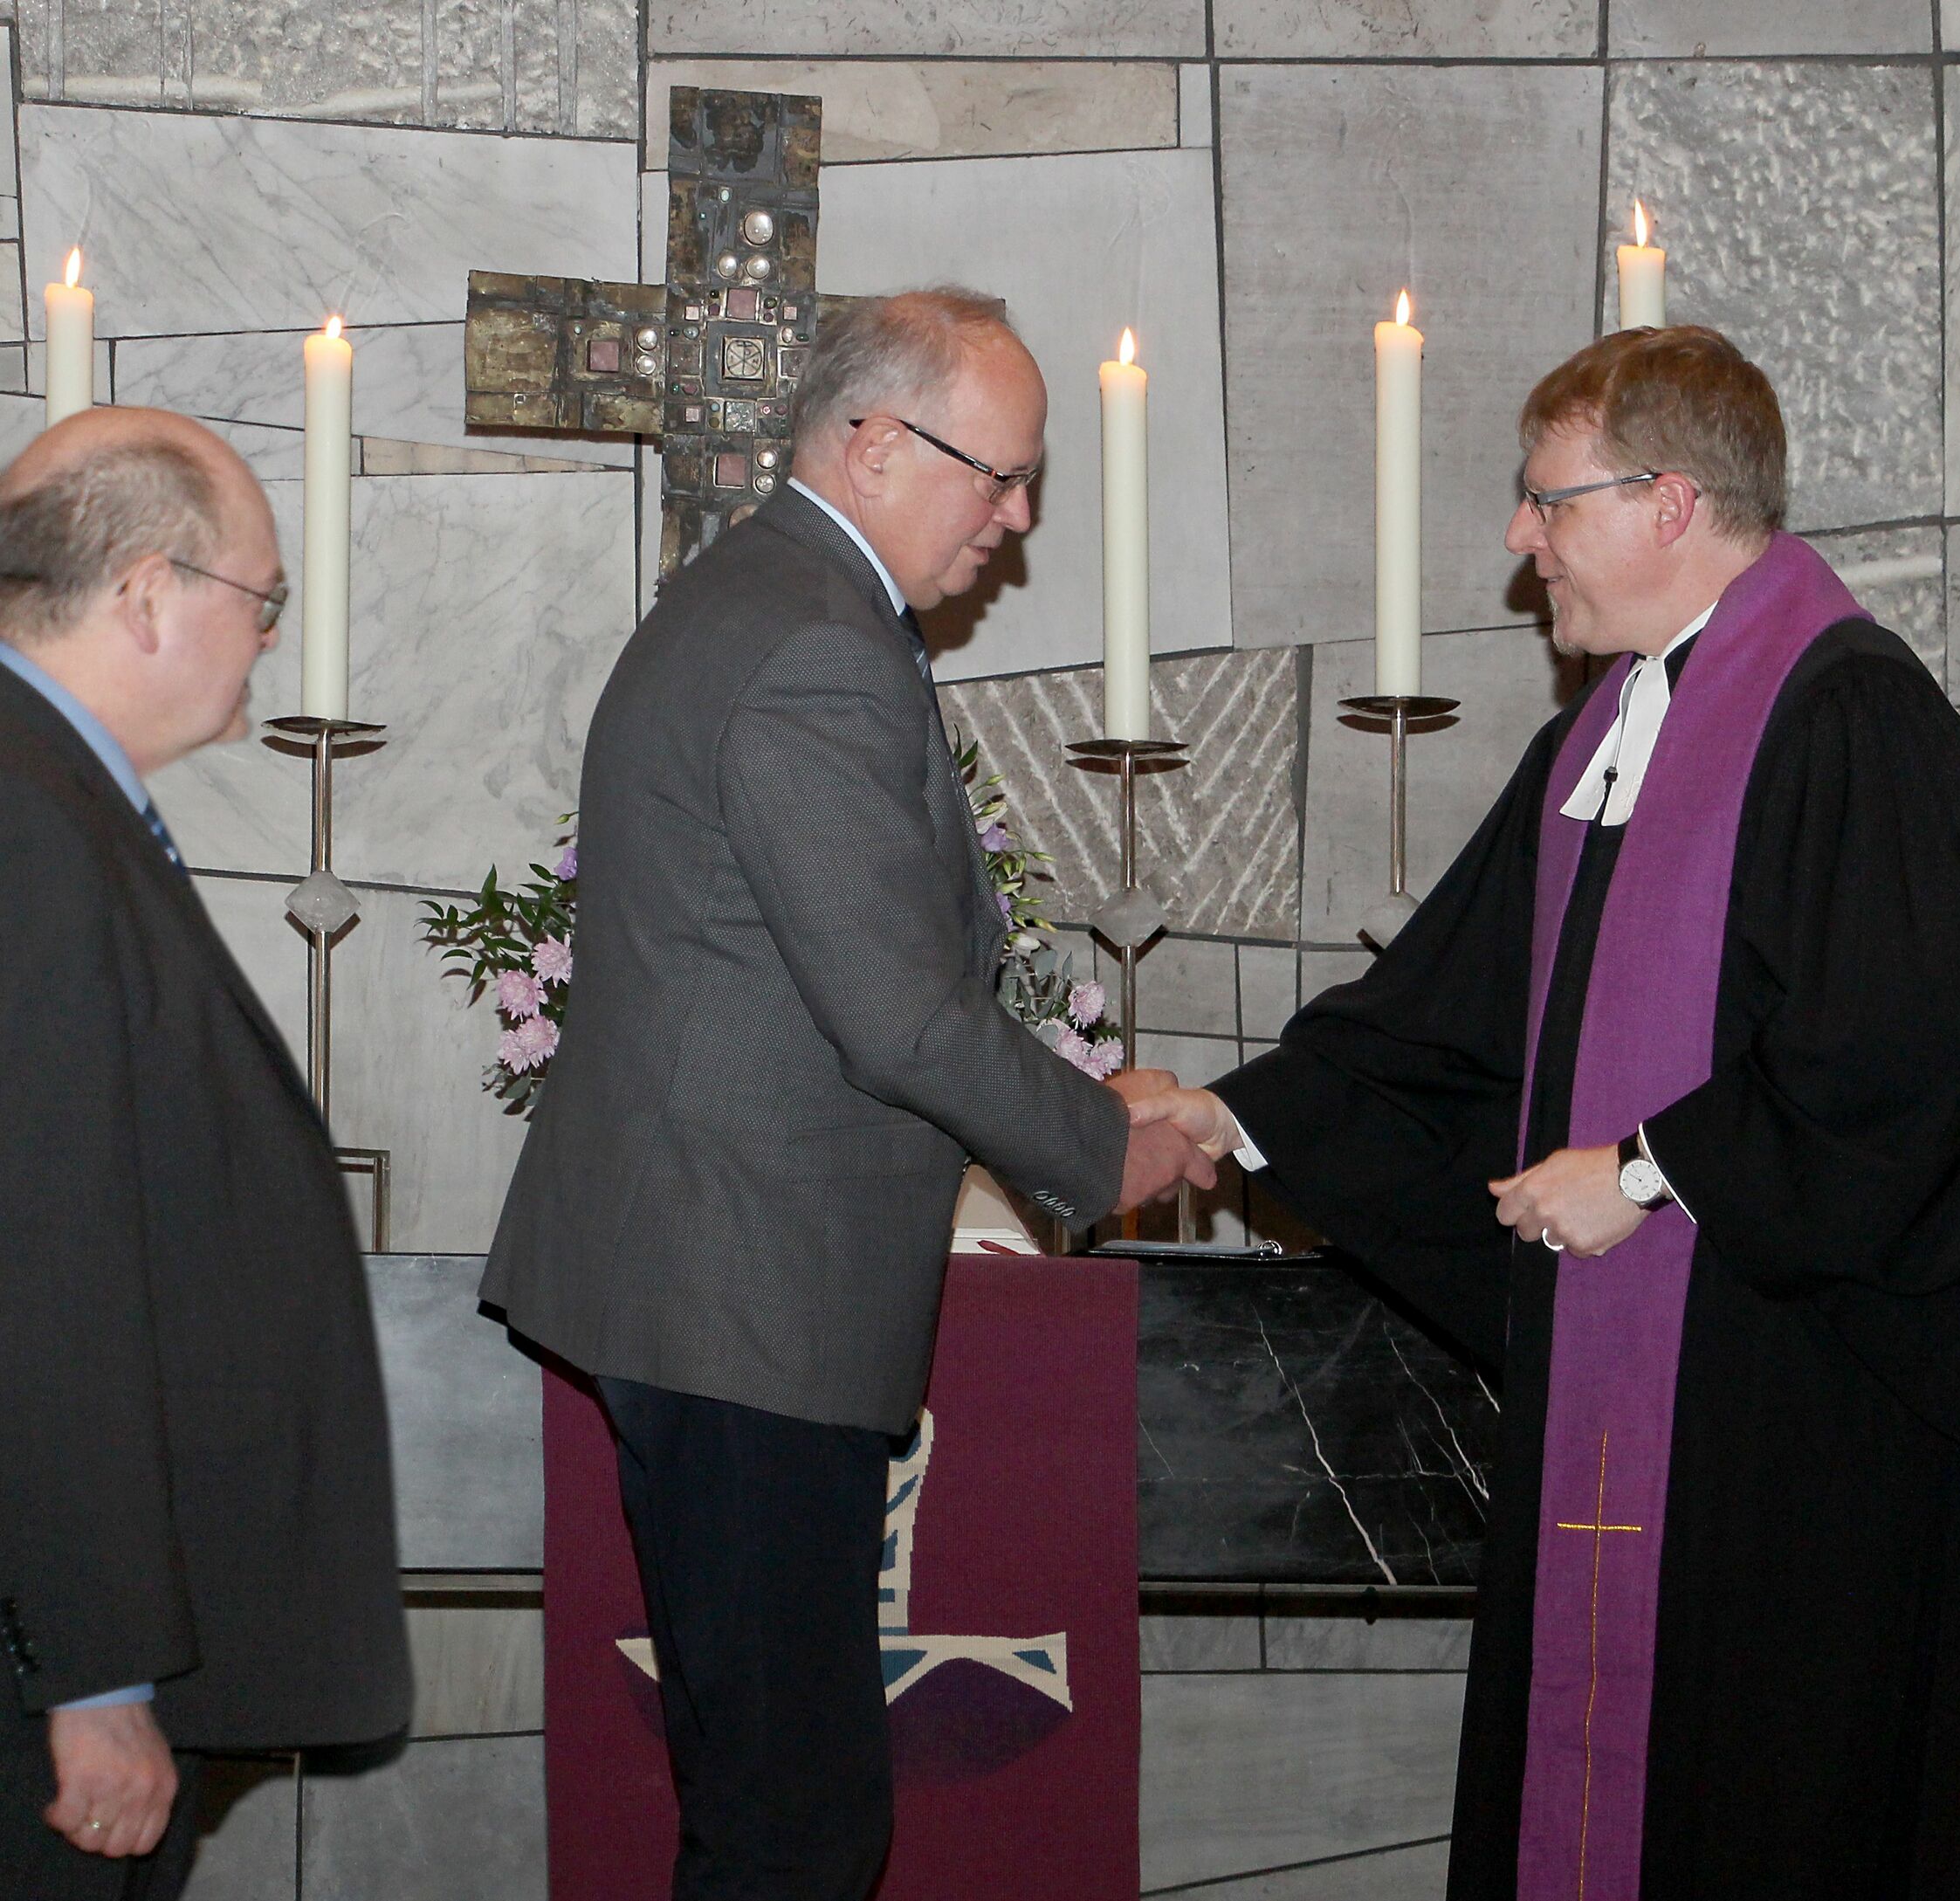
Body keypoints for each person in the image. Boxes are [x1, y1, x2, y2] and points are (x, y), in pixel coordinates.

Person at [1124, 327, 1960, 1897]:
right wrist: (1228, 1114)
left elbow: (1909, 1057)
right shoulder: (1601, 740)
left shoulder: (1850, 717)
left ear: (1670, 500)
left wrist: (1654, 1171)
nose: (1521, 540)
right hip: (1645, 1410)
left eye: (1549, 501)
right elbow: (1449, 1015)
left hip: (1790, 1431)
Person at [480, 287, 1214, 1900]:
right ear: (874, 442)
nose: (1017, 518)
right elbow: (895, 1014)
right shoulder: (816, 639)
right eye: (997, 474)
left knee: (770, 1806)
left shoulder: (768, 597)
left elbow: (832, 976)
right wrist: (1106, 1141)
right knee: (795, 1827)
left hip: (717, 1298)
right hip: (748, 1307)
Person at [0, 408, 411, 1900]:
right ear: (147, 589)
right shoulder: (28, 820)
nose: (267, 642)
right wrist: (97, 1674)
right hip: (49, 1666)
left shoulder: (58, 797)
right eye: (264, 600)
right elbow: (40, 1273)